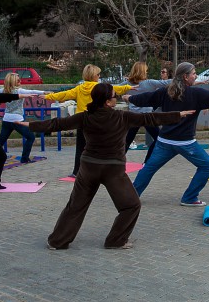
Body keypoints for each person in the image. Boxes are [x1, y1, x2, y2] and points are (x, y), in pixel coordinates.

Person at [20, 83, 194, 250]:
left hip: (88, 168)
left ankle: (57, 242)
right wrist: (178, 115)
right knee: (131, 206)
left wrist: (30, 124)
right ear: (107, 101)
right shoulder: (121, 116)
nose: (116, 98)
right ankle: (116, 241)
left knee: (75, 206)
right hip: (113, 170)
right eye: (114, 96)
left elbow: (58, 124)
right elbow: (150, 118)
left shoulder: (85, 116)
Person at [123, 62, 209, 207]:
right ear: (185, 76)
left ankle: (133, 196)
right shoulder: (195, 93)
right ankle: (189, 197)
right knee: (207, 166)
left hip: (165, 141)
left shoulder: (166, 91)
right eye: (194, 73)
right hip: (185, 143)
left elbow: (145, 98)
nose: (196, 76)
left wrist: (129, 98)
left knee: (149, 167)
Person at [44, 64, 134, 178]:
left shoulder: (79, 88)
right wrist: (128, 87)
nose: (99, 76)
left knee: (80, 147)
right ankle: (102, 170)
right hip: (96, 121)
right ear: (94, 76)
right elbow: (115, 89)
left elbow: (64, 95)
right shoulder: (99, 87)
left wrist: (49, 97)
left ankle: (76, 171)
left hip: (82, 121)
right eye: (98, 74)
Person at [0, 72, 50, 164]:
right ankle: (24, 158)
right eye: (18, 80)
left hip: (6, 118)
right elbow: (32, 92)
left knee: (1, 140)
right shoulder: (19, 91)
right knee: (30, 137)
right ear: (13, 82)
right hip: (17, 119)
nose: (20, 81)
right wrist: (44, 92)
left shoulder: (3, 90)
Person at [123, 62, 171, 162]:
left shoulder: (127, 84)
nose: (147, 72)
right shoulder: (149, 83)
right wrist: (186, 79)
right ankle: (147, 161)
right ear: (142, 72)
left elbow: (111, 87)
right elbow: (168, 82)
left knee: (127, 141)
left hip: (134, 116)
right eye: (146, 71)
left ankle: (116, 162)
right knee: (159, 139)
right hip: (147, 117)